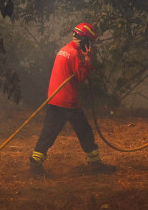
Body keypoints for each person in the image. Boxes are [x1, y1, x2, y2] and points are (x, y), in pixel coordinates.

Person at [29, 22, 117, 177]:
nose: (90, 45)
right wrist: (87, 59)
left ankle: (35, 164)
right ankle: (95, 164)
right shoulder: (74, 54)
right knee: (85, 133)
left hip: (56, 99)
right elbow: (81, 76)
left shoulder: (64, 50)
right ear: (84, 41)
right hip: (68, 102)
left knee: (48, 134)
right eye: (89, 42)